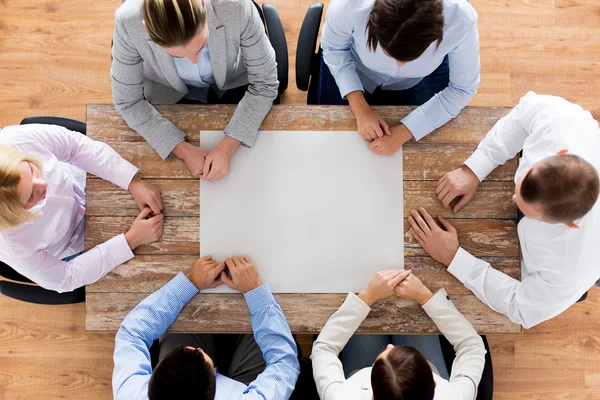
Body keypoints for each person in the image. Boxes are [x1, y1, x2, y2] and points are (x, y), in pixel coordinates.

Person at [407, 92, 600, 328]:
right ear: (559, 153)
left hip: (575, 267)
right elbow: (523, 115)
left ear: (569, 223)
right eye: (521, 184)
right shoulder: (562, 123)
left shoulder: (571, 268)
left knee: (564, 295)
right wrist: (476, 168)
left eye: (527, 209)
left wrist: (453, 257)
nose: (512, 197)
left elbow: (519, 306)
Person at [111, 0, 278, 182]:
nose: (194, 62)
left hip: (232, 83)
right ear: (146, 28)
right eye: (177, 55)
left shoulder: (235, 5)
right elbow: (128, 102)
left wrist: (228, 147)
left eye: (200, 47)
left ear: (204, 6)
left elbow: (265, 83)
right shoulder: (128, 21)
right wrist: (182, 149)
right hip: (169, 92)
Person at [0, 123, 163, 292]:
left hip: (82, 180)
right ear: (15, 214)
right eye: (32, 195)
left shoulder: (15, 139)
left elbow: (74, 146)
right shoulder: (10, 245)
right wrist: (131, 240)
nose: (44, 184)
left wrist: (131, 181)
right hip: (75, 245)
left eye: (33, 170)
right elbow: (66, 278)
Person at [112, 255, 300, 400]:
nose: (196, 349)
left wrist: (190, 282)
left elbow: (131, 333)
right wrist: (255, 292)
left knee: (182, 316)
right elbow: (285, 364)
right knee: (275, 322)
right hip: (242, 387)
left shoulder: (131, 393)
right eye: (200, 354)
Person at [319, 0, 480, 155]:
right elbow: (334, 48)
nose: (400, 65)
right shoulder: (348, 5)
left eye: (412, 58)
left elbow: (462, 89)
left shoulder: (461, 19)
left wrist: (404, 132)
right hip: (354, 66)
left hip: (419, 80)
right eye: (387, 52)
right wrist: (360, 108)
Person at [311, 269, 486, 400]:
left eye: (384, 354)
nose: (390, 347)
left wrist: (366, 297)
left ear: (372, 396)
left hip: (357, 373)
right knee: (412, 310)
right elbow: (472, 347)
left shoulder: (344, 397)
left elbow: (324, 348)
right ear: (434, 384)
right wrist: (424, 296)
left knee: (362, 281)